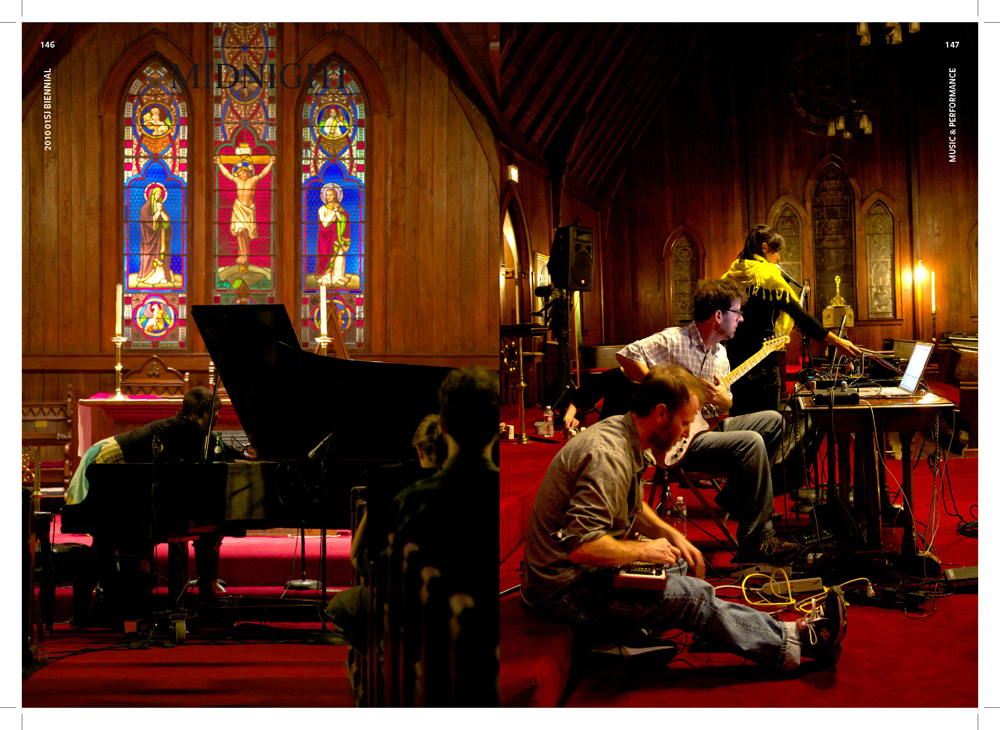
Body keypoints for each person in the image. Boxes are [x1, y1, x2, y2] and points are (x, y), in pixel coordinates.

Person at [521, 365, 848, 670]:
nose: (687, 433)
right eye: (685, 422)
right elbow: (584, 546)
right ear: (661, 413)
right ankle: (798, 640)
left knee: (676, 563)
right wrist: (644, 550)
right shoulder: (609, 456)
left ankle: (665, 631)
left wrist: (673, 536)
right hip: (564, 592)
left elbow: (632, 506)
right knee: (692, 596)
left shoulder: (624, 432)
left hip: (582, 574)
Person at [615, 278, 794, 560]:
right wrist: (669, 392)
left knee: (775, 420)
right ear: (719, 315)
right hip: (678, 439)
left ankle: (735, 498)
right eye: (737, 312)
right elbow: (626, 355)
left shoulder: (721, 353)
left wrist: (726, 401)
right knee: (751, 443)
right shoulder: (673, 340)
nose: (742, 318)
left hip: (708, 428)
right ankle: (757, 540)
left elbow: (726, 405)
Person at [66, 387, 243, 618]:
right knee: (105, 534)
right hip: (107, 459)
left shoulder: (188, 427)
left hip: (115, 458)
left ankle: (96, 609)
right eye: (214, 411)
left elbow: (211, 448)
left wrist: (241, 454)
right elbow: (211, 450)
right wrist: (244, 455)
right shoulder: (185, 427)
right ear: (198, 411)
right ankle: (112, 608)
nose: (219, 416)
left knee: (105, 537)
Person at [324, 413, 447, 652]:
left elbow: (357, 556)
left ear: (419, 450)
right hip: (451, 595)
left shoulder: (393, 484)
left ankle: (383, 660)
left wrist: (373, 507)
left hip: (400, 595)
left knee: (338, 608)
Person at [721, 224, 861, 416]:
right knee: (767, 430)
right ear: (764, 248)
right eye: (776, 251)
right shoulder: (769, 277)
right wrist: (836, 340)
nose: (778, 257)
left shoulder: (730, 277)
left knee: (739, 431)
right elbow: (800, 317)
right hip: (763, 368)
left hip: (735, 366)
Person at [214, 154, 276, 266]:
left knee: (244, 231)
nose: (241, 174)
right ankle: (242, 254)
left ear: (248, 172)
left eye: (243, 172)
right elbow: (227, 174)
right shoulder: (237, 181)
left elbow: (263, 173)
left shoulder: (253, 180)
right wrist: (219, 164)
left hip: (248, 210)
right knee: (239, 231)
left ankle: (246, 253)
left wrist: (271, 163)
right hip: (238, 208)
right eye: (240, 173)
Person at [562, 366, 636, 430]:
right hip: (608, 432)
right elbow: (579, 397)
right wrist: (568, 417)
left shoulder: (646, 382)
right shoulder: (613, 375)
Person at [316, 182, 352, 287]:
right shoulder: (322, 209)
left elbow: (344, 222)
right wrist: (333, 212)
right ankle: (326, 276)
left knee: (339, 257)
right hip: (325, 239)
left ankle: (338, 277)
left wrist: (338, 212)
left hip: (337, 240)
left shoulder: (340, 209)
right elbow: (325, 223)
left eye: (331, 194)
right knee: (325, 256)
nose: (328, 197)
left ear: (336, 196)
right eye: (326, 195)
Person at [137, 183, 173, 285]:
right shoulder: (145, 208)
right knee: (150, 256)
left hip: (159, 237)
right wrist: (157, 212)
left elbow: (166, 221)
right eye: (156, 194)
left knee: (160, 254)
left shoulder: (160, 206)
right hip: (149, 239)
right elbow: (147, 222)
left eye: (159, 195)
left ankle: (161, 276)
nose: (158, 196)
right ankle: (148, 277)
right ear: (151, 195)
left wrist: (160, 211)